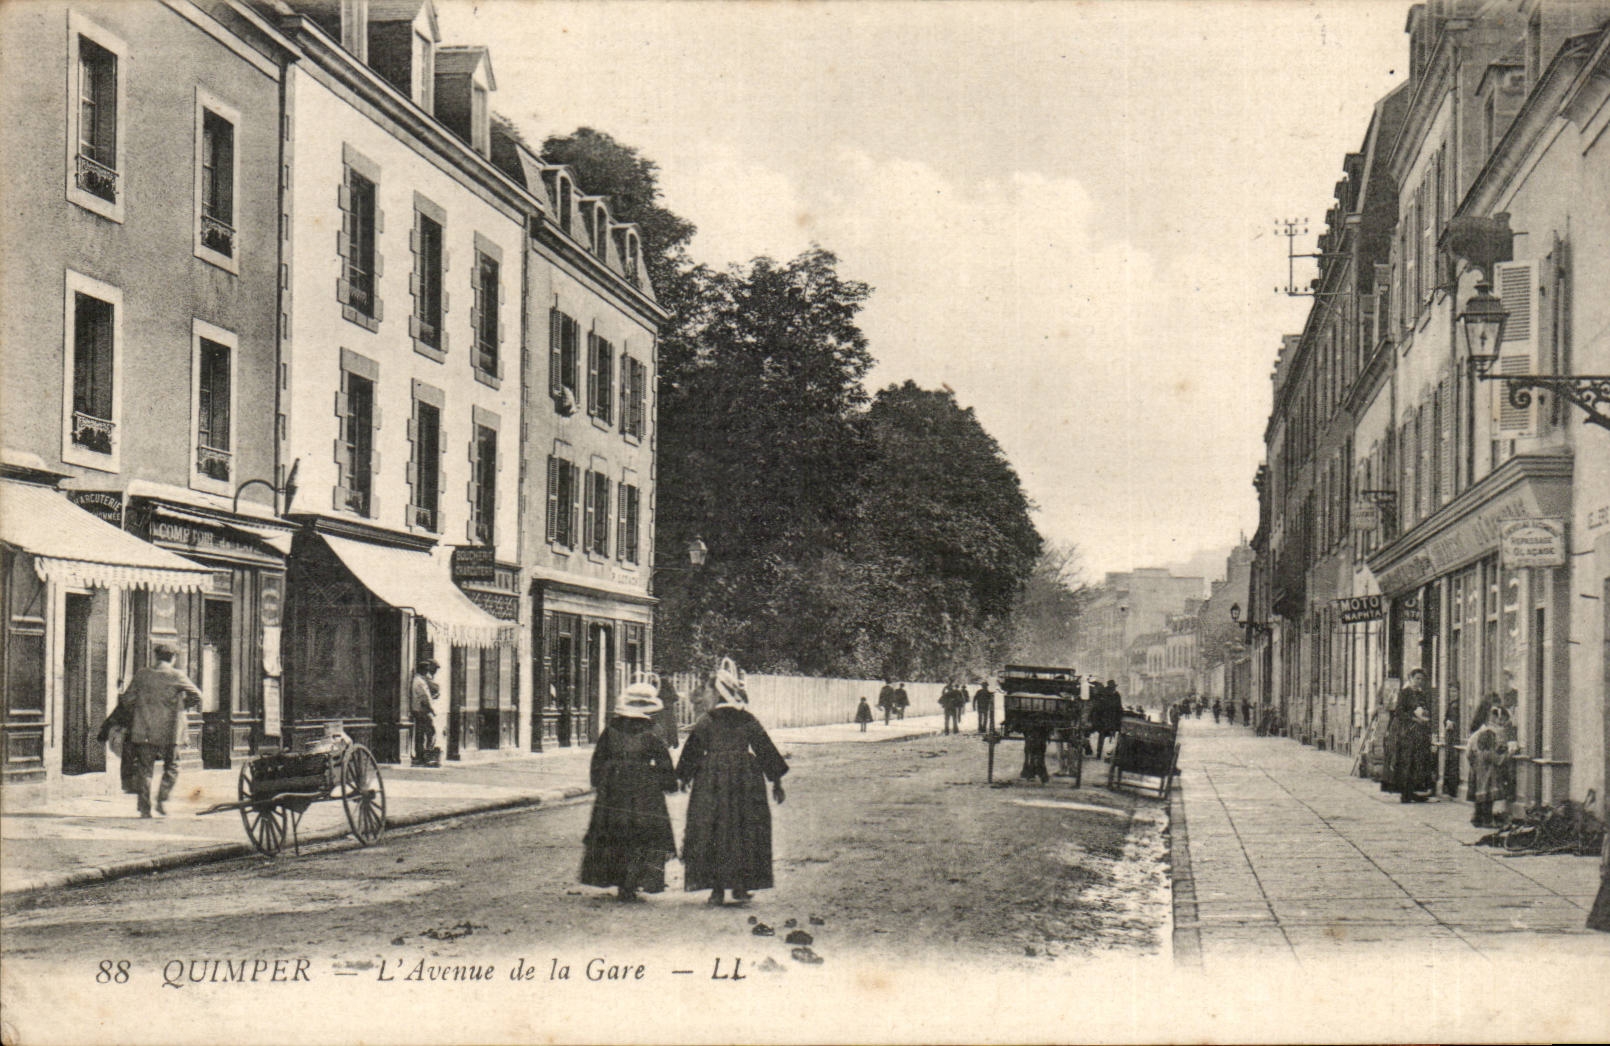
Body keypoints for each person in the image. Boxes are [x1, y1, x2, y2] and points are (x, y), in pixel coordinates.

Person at [678, 658, 789, 906]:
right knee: (744, 829)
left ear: (718, 694)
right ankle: (740, 886)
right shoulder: (747, 719)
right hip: (745, 779)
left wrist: (684, 777)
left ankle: (716, 890)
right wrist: (777, 782)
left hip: (711, 780)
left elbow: (693, 750)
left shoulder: (707, 721)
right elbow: (764, 748)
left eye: (709, 691)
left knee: (713, 829)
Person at [580, 682, 679, 902]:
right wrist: (669, 783)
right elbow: (663, 761)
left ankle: (619, 880)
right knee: (642, 833)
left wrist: (598, 781)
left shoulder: (611, 729)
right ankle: (635, 880)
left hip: (613, 787)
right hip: (645, 788)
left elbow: (599, 757)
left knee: (615, 831)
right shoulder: (652, 731)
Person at [113, 644, 201, 818]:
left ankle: (145, 809)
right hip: (171, 730)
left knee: (145, 769)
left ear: (156, 656)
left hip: (144, 729)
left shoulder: (142, 675)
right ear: (173, 658)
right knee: (173, 766)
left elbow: (127, 699)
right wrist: (181, 706)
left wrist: (139, 710)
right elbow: (197, 695)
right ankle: (162, 799)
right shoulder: (177, 675)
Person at [1467, 704, 1516, 828]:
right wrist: (1509, 753)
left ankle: (1477, 818)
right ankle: (1487, 821)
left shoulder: (1476, 735)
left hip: (1477, 772)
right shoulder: (1491, 736)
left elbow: (1468, 753)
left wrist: (1474, 764)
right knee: (1488, 799)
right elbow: (1499, 759)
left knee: (1479, 798)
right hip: (1488, 774)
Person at [1396, 705, 1436, 803]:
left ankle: (1409, 794)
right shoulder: (1416, 727)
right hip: (1413, 754)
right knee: (1412, 773)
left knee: (1411, 774)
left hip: (1412, 754)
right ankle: (1408, 795)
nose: (1425, 721)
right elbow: (1418, 742)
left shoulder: (1414, 727)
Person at [411, 659, 440, 766]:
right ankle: (427, 755)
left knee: (421, 734)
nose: (427, 672)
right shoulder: (420, 682)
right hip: (422, 711)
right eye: (426, 670)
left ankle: (421, 755)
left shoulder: (419, 680)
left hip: (418, 710)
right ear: (422, 670)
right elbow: (425, 698)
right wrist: (432, 710)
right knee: (431, 732)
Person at [1090, 680, 1123, 760]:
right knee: (1112, 737)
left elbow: (1096, 707)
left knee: (1102, 737)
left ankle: (1100, 753)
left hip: (1104, 719)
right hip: (1110, 719)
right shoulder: (1115, 695)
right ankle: (1110, 753)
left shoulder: (1104, 694)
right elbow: (1119, 708)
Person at [1440, 682, 1462, 798]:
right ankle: (1449, 788)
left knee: (1454, 761)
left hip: (1456, 737)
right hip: (1450, 737)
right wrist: (1447, 722)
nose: (1452, 694)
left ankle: (1452, 788)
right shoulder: (1451, 705)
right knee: (1449, 760)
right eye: (1450, 692)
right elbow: (1445, 719)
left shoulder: (1458, 706)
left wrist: (1452, 723)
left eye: (1454, 691)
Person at [653, 674, 682, 750]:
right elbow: (675, 697)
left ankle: (662, 743)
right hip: (668, 709)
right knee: (669, 726)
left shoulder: (655, 685)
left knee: (660, 726)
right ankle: (670, 743)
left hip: (658, 709)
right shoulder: (669, 685)